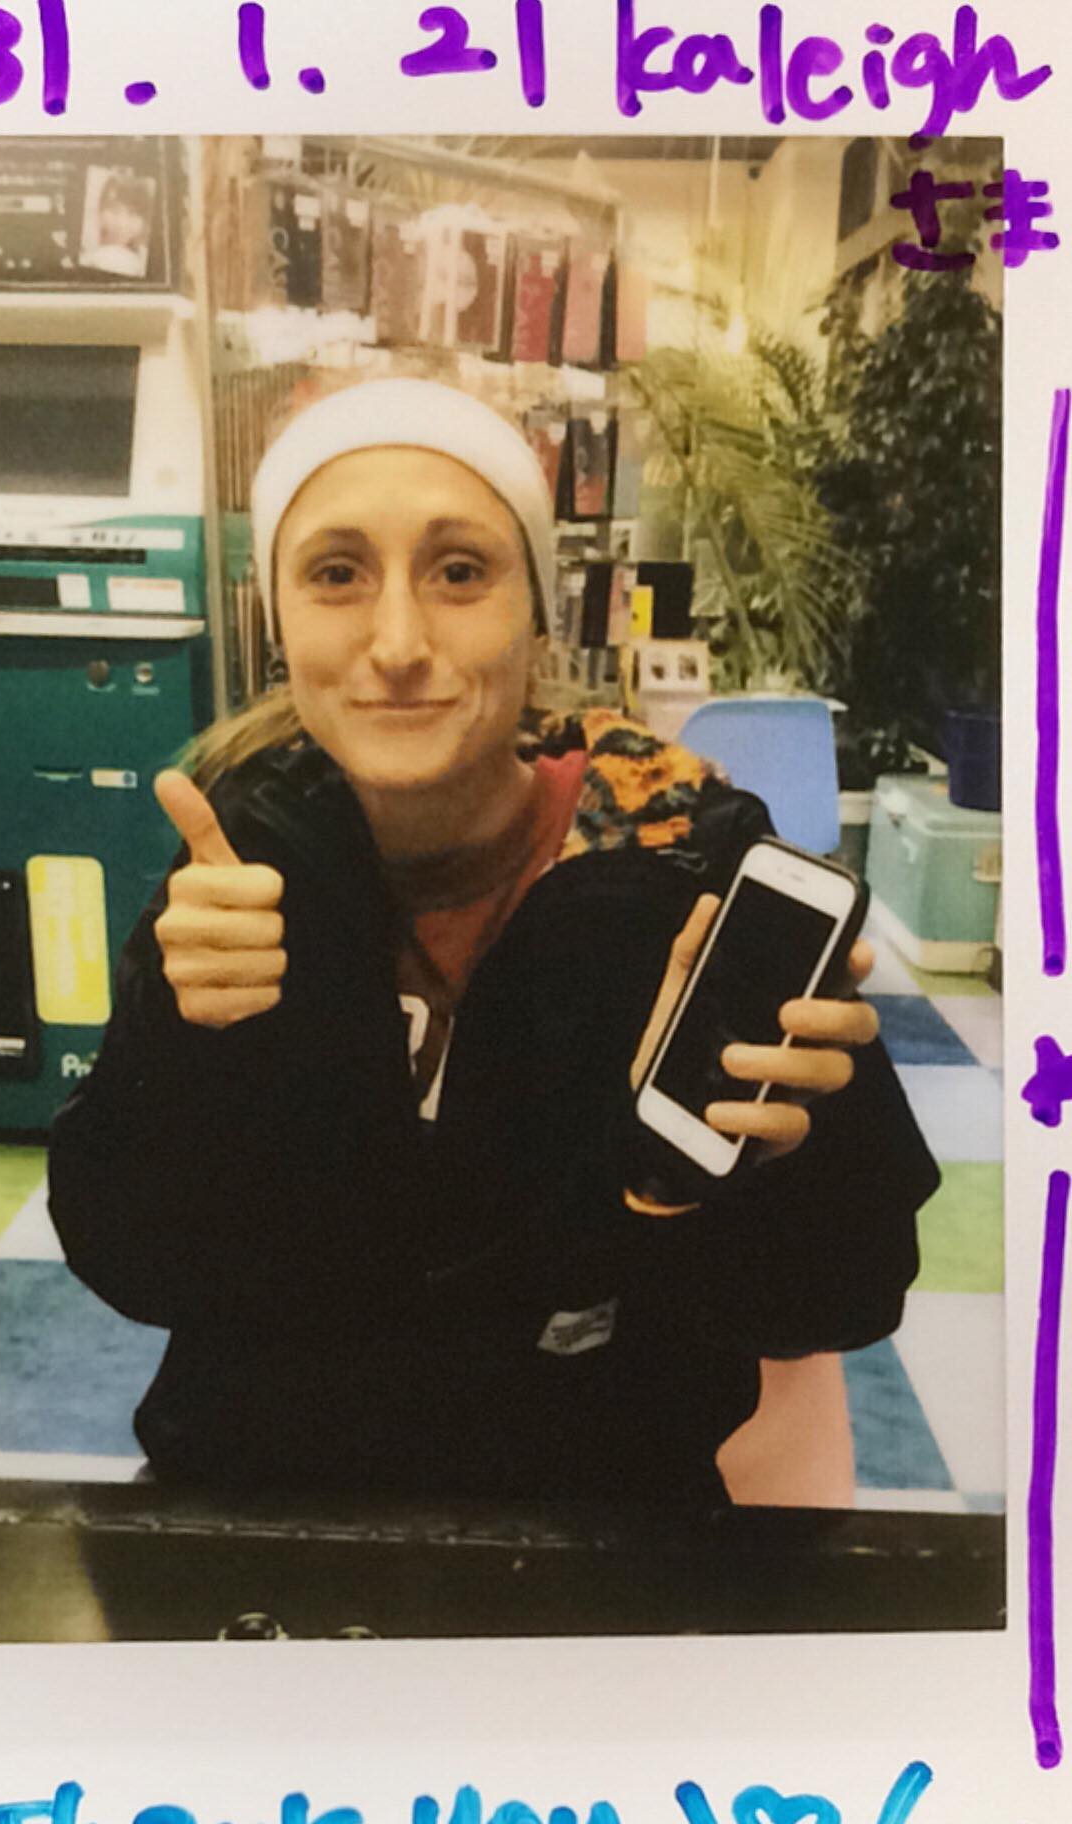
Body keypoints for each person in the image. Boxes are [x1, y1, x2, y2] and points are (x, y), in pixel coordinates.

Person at [48, 378, 939, 1515]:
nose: (398, 643)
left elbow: (842, 1297)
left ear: (537, 610)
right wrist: (183, 1045)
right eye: (336, 574)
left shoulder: (684, 877)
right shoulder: (242, 859)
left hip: (601, 1530)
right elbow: (138, 1266)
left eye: (459, 571)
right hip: (275, 1515)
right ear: (275, 617)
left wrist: (766, 1163)